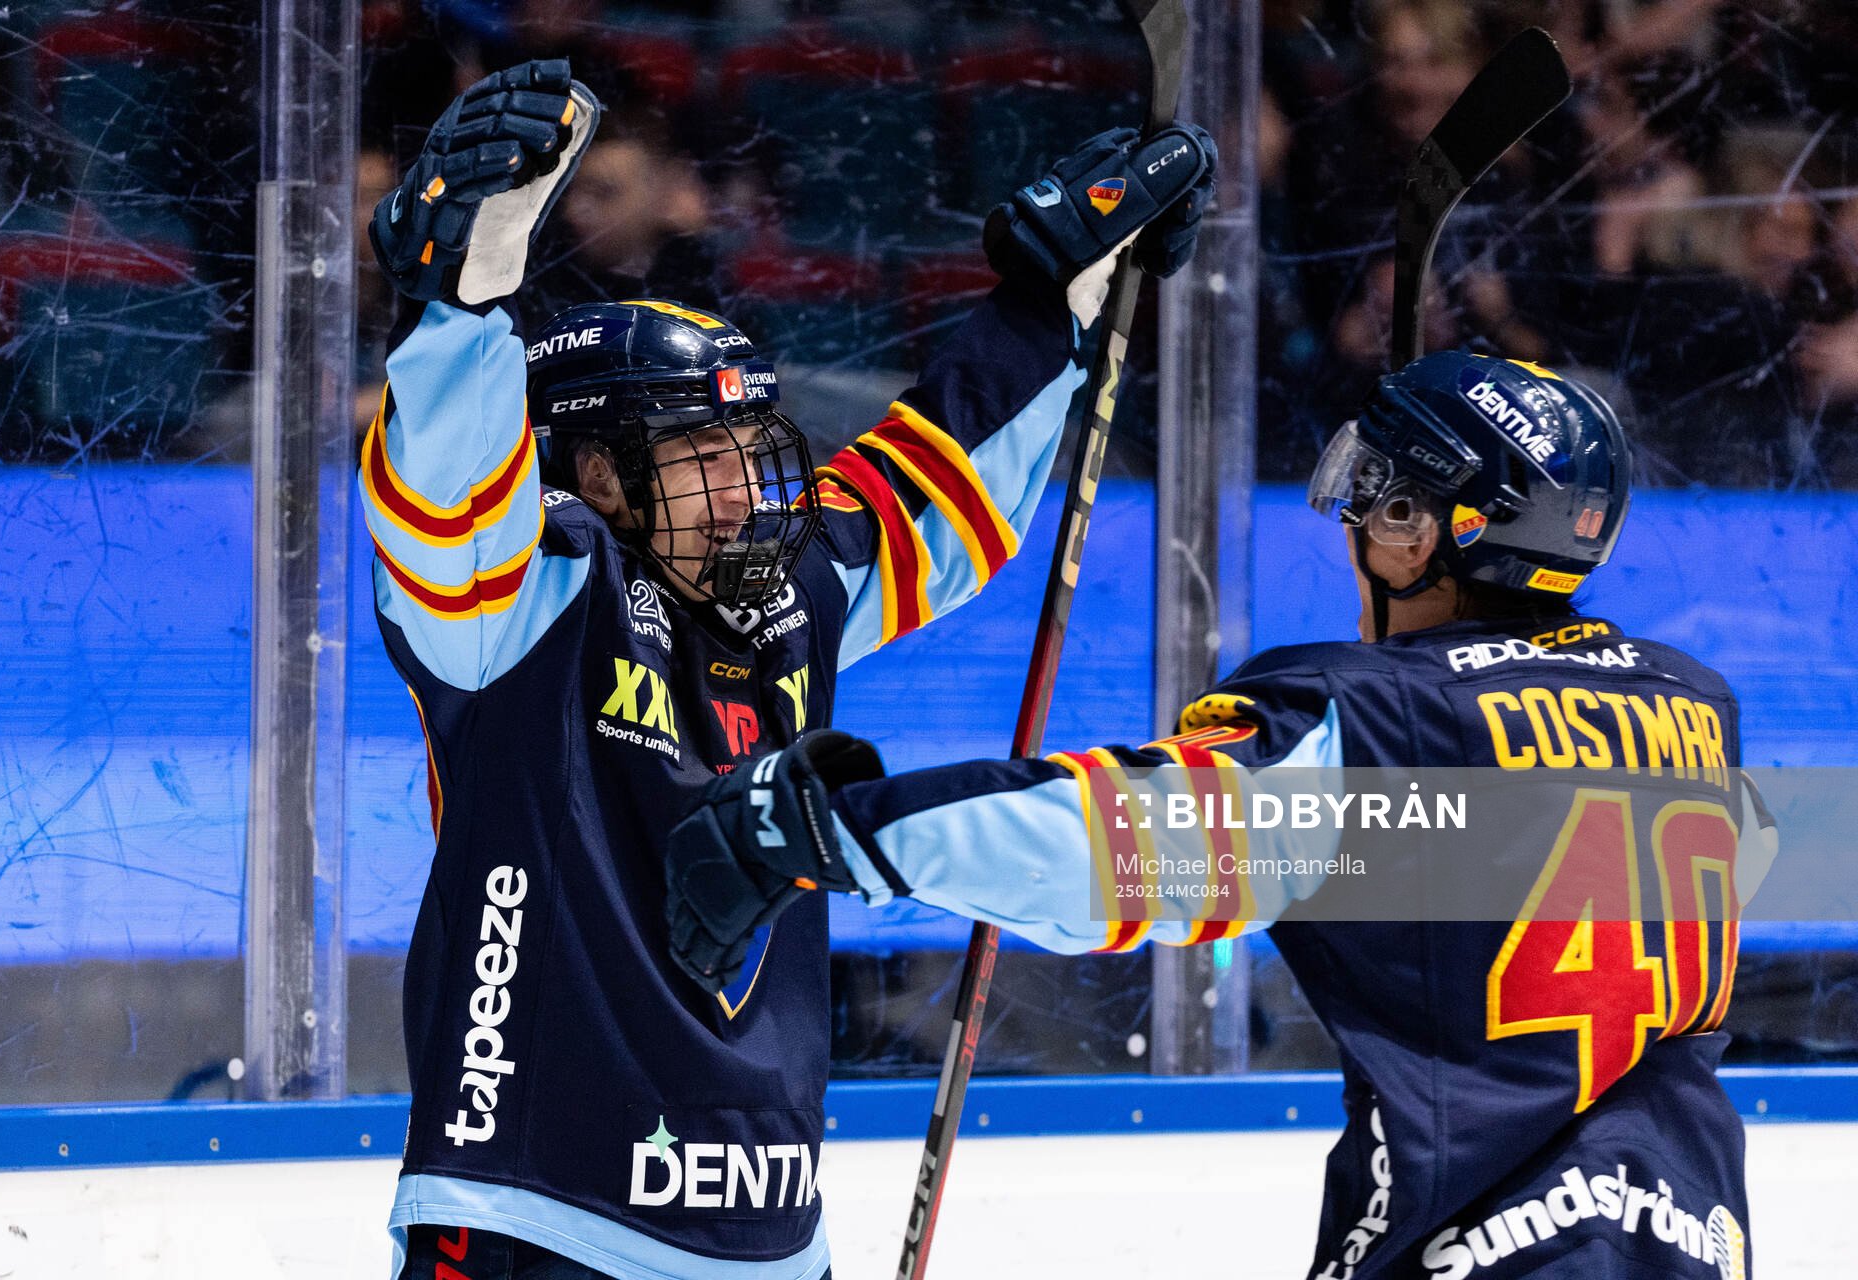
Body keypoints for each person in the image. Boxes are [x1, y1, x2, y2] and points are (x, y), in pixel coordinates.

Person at [362, 58, 1217, 1280]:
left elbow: (931, 492)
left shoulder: (781, 594)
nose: (757, 488)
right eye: (706, 453)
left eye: (755, 445)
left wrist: (1047, 305)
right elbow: (447, 509)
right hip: (535, 1214)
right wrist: (463, 307)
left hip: (771, 1240)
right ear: (595, 475)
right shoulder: (525, 602)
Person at [668, 353, 1777, 1277]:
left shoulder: (1390, 720)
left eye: (1376, 491)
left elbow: (1120, 849)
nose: (1353, 517)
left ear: (1414, 527)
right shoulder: (1691, 704)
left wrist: (833, 829)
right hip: (1694, 1238)